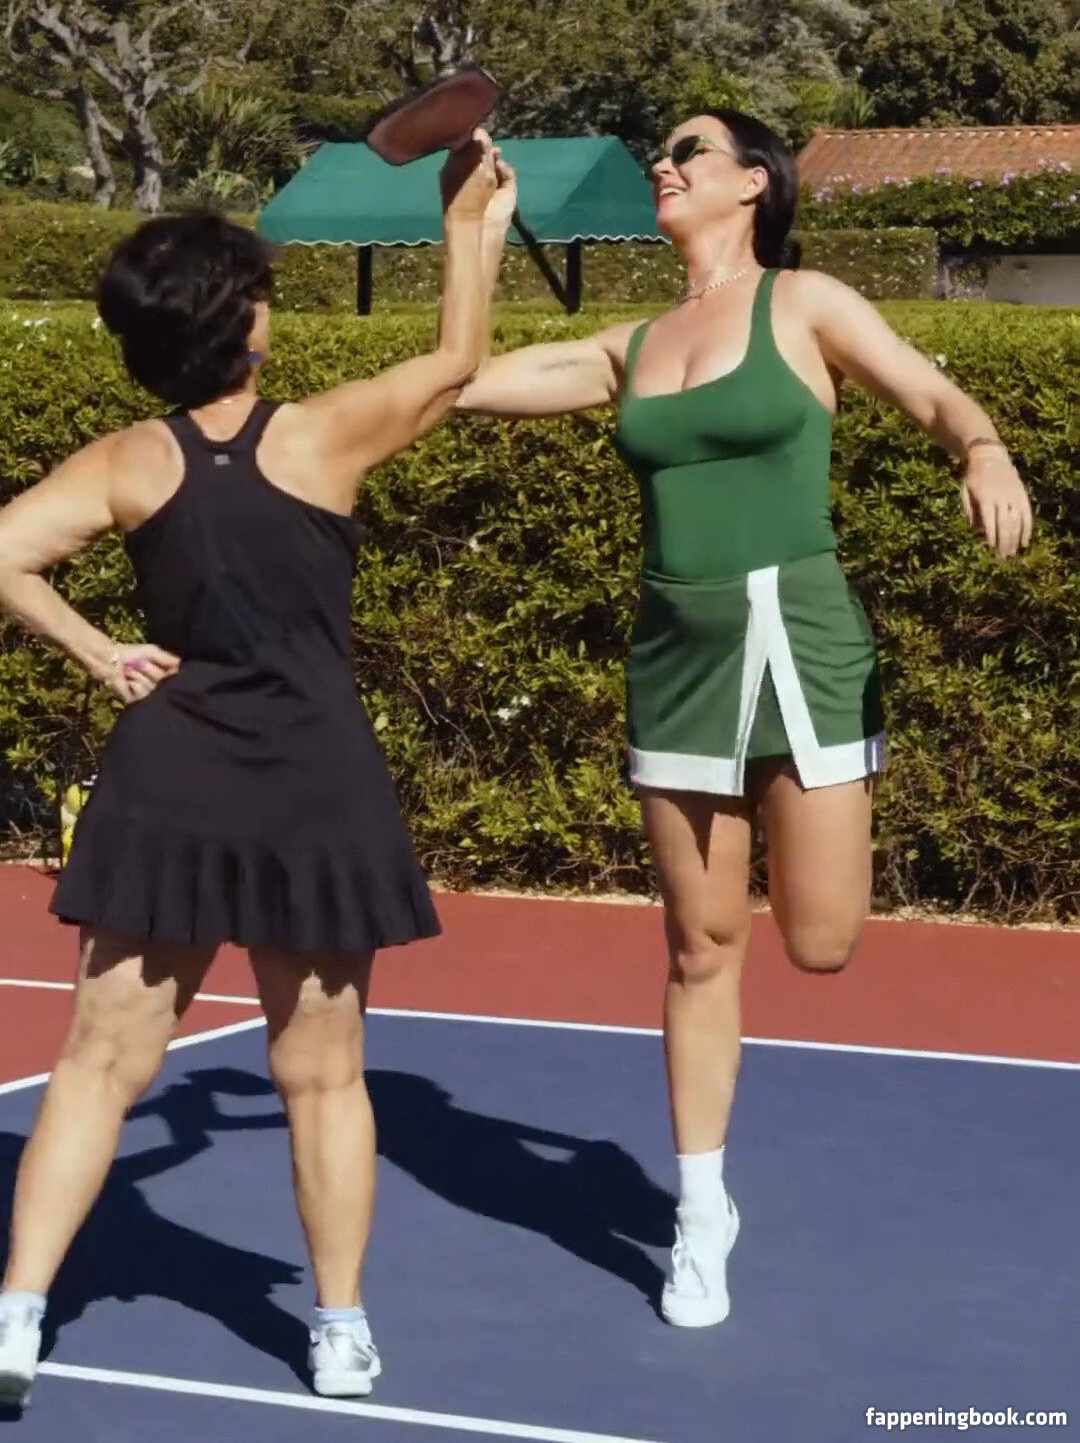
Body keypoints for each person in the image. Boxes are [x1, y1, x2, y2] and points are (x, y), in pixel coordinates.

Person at [457, 108, 1032, 1330]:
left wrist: (982, 449)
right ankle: (701, 1209)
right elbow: (461, 382)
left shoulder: (806, 303)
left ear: (754, 183)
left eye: (691, 152)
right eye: (663, 155)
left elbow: (930, 393)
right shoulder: (627, 346)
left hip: (803, 643)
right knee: (698, 945)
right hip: (675, 655)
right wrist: (477, 234)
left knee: (820, 943)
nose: (664, 165)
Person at [0, 134, 516, 1409]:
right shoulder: (327, 436)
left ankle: (17, 1315)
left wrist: (97, 652)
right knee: (322, 1073)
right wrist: (469, 223)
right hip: (310, 781)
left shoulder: (127, 460)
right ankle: (337, 1331)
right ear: (247, 326)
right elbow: (458, 360)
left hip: (169, 774)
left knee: (97, 1063)